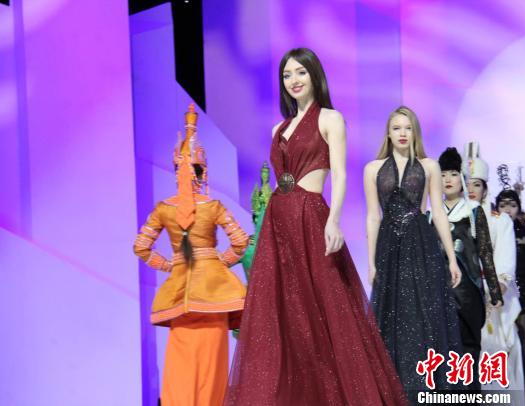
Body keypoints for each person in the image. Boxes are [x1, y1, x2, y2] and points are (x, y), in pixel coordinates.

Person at [225, 48, 407, 406]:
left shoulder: (330, 119)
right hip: (278, 221)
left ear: (314, 75)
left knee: (327, 309)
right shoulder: (278, 129)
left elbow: (340, 174)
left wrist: (334, 219)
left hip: (311, 216)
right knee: (284, 315)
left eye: (300, 72)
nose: (293, 80)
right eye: (287, 75)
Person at [133, 104, 249, 406]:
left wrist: (171, 264)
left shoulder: (164, 209)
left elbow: (141, 247)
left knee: (181, 369)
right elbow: (240, 242)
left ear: (177, 171)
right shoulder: (213, 207)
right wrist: (216, 263)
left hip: (181, 295)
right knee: (211, 369)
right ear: (203, 170)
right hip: (213, 297)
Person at [365, 106, 462, 401]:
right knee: (391, 316)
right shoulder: (372, 169)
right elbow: (373, 216)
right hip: (388, 248)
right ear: (388, 133)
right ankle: (393, 392)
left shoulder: (429, 166)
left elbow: (438, 213)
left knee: (424, 315)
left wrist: (452, 258)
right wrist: (370, 263)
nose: (403, 133)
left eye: (408, 128)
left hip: (421, 245)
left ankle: (424, 389)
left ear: (415, 131)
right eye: (397, 128)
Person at [462, 142, 524, 402]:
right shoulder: (453, 218)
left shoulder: (500, 221)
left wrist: (494, 292)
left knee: (493, 359)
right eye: (467, 183)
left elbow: (505, 263)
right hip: (460, 299)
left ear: (485, 188)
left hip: (491, 301)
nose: (471, 189)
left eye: (477, 184)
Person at [438, 147, 503, 390]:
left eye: (453, 174)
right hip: (439, 293)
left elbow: (485, 252)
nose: (448, 179)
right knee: (443, 355)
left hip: (469, 295)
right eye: (443, 174)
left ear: (462, 179)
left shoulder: (474, 211)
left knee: (469, 352)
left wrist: (494, 291)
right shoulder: (431, 214)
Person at [496, 189, 525, 405]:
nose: (508, 210)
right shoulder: (491, 229)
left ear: (519, 209)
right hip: (501, 297)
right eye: (503, 205)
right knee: (503, 348)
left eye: (512, 205)